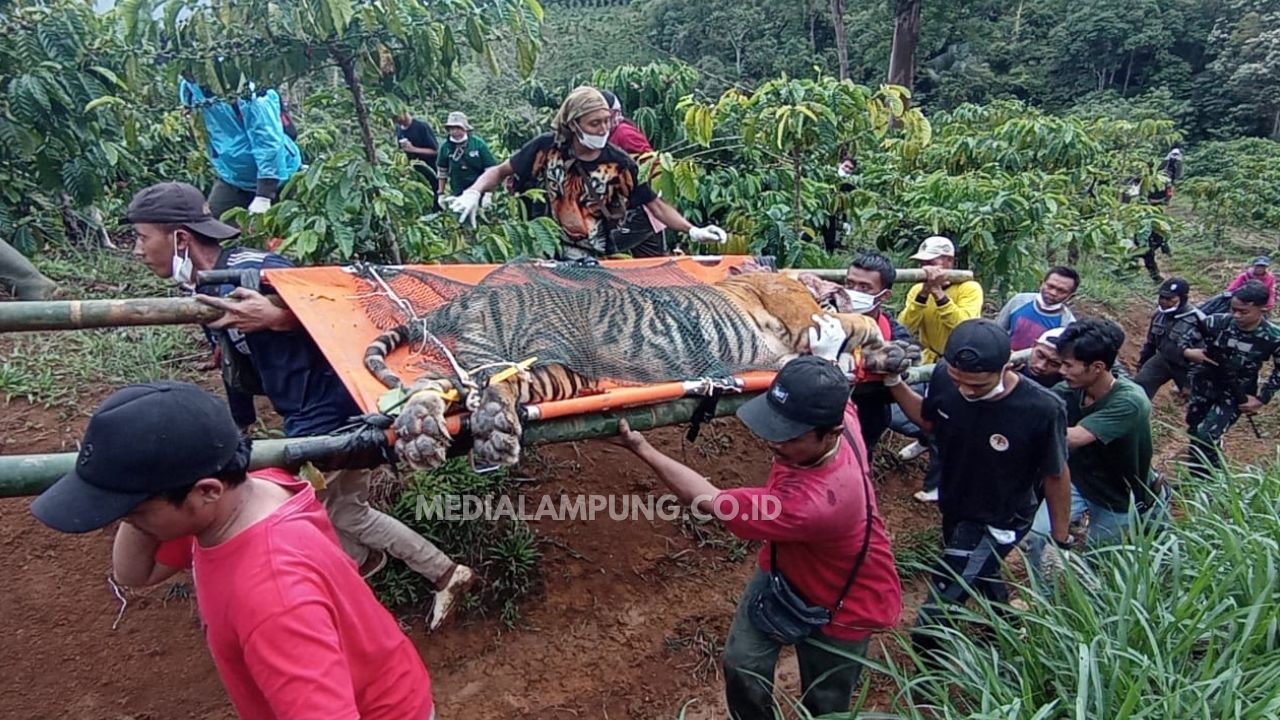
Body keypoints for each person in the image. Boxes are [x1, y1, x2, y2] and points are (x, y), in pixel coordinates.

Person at [123, 182, 474, 628]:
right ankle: (443, 573)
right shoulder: (201, 288)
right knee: (347, 510)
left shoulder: (259, 267)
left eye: (141, 237)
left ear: (180, 239)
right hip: (307, 412)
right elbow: (233, 365)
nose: (137, 250)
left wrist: (276, 316)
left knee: (287, 509)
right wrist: (242, 426)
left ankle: (347, 600)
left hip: (335, 409)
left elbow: (339, 307)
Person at [29, 381, 435, 719]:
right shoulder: (253, 490)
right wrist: (127, 493)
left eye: (134, 513)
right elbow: (135, 573)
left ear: (207, 491)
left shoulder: (271, 598)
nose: (125, 521)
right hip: (383, 680)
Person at [611, 356, 901, 720]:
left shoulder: (811, 504)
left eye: (788, 434)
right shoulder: (839, 412)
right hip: (787, 565)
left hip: (848, 603)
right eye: (773, 422)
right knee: (742, 662)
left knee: (825, 704)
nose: (772, 439)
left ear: (831, 433)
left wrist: (642, 448)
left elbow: (710, 500)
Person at [884, 319, 1072, 651]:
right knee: (980, 573)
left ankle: (931, 683)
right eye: (959, 382)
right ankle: (1005, 624)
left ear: (1007, 365)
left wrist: (1059, 539)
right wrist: (894, 382)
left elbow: (1057, 475)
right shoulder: (945, 376)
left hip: (1000, 518)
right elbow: (930, 421)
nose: (966, 391)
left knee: (936, 613)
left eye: (978, 385)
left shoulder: (1042, 409)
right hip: (956, 503)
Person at [445, 86, 726, 259]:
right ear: (573, 124)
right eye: (594, 124)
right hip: (549, 250)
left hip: (594, 256)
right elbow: (498, 170)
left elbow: (654, 204)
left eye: (606, 122)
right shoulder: (546, 148)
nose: (603, 130)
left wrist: (693, 230)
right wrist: (473, 192)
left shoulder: (619, 163)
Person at [1026, 319, 1167, 569]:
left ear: (1097, 367)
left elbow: (1074, 438)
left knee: (1098, 559)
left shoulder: (1130, 401)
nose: (1061, 371)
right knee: (1038, 535)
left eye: (1069, 365)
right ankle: (1043, 599)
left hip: (1120, 496)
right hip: (1079, 484)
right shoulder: (1069, 391)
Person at [894, 235, 984, 501]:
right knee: (911, 411)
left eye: (931, 262)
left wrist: (939, 294)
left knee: (947, 421)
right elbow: (905, 326)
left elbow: (963, 327)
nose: (926, 268)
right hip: (927, 359)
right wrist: (923, 294)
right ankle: (925, 437)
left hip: (955, 365)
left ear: (947, 262)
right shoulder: (916, 289)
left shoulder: (969, 288)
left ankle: (937, 484)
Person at [1180, 280, 1280, 476]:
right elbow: (1183, 340)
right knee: (1195, 431)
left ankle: (1213, 481)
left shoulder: (1272, 336)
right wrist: (1190, 353)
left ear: (1263, 309)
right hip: (1204, 385)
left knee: (1206, 435)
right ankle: (1196, 479)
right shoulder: (1216, 322)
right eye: (1233, 309)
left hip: (1235, 393)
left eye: (1244, 312)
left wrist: (1261, 398)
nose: (1237, 315)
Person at [179, 74, 301, 219]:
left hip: (280, 176)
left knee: (281, 233)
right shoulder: (189, 88)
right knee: (213, 231)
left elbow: (267, 139)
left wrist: (264, 194)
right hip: (232, 176)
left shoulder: (246, 90)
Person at [844, 252, 914, 452]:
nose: (854, 292)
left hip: (867, 420)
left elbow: (902, 367)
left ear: (884, 296)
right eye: (850, 284)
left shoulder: (895, 334)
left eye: (864, 287)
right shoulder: (823, 321)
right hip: (819, 420)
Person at [599, 89, 668, 257]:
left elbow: (652, 164)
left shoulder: (624, 133)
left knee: (597, 247)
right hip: (640, 212)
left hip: (641, 211)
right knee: (652, 267)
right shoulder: (607, 136)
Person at [1135, 277, 1203, 400]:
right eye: (1161, 297)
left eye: (1170, 299)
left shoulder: (1198, 321)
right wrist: (1142, 362)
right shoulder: (1158, 315)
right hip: (1163, 359)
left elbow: (1203, 357)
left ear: (1182, 299)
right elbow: (1150, 343)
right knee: (1139, 387)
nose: (1164, 302)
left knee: (1196, 402)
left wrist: (1189, 383)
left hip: (1187, 367)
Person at [994, 266, 1080, 351]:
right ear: (1041, 283)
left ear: (1071, 295)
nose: (1053, 292)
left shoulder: (1067, 324)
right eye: (1050, 286)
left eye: (1061, 291)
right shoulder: (1019, 301)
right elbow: (996, 331)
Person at [436, 112, 497, 198]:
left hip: (479, 190)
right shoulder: (446, 147)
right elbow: (442, 172)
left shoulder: (478, 144)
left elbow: (490, 169)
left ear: (465, 128)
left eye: (458, 128)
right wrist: (441, 193)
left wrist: (488, 193)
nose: (455, 131)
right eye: (452, 128)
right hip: (457, 191)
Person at [395, 109, 440, 187]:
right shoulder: (399, 128)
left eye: (397, 117)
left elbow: (435, 151)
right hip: (414, 173)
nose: (396, 121)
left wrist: (413, 149)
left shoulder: (421, 126)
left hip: (430, 171)